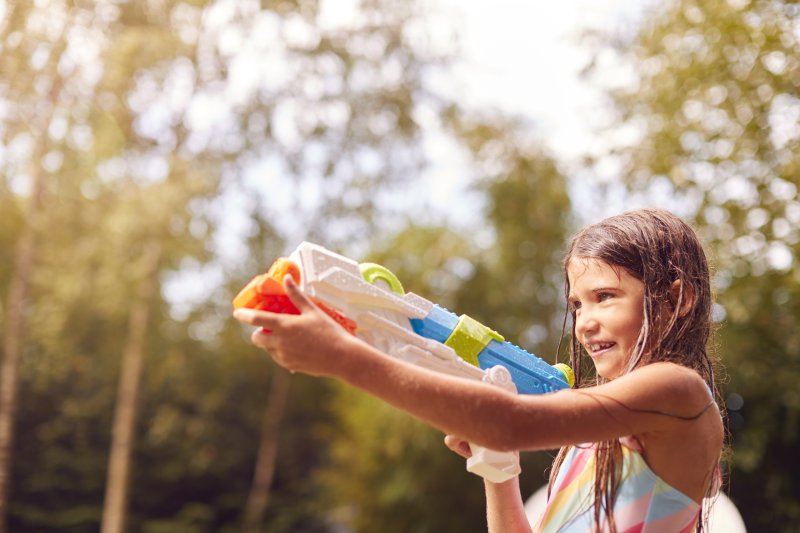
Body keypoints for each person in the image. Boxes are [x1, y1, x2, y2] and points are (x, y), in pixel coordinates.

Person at [233, 208, 725, 532]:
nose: (585, 323)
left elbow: (507, 419)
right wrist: (498, 471)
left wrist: (342, 357)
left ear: (677, 298)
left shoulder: (677, 391)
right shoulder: (593, 441)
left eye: (605, 297)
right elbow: (503, 427)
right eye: (577, 304)